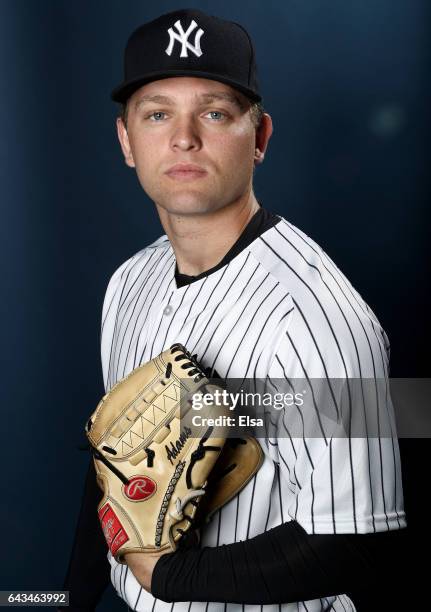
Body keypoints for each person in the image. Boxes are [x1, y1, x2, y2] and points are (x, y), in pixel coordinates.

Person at [63, 8, 407, 611]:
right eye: (157, 113)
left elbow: (356, 542)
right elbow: (114, 476)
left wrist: (163, 578)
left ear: (260, 138)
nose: (183, 137)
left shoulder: (318, 317)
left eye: (215, 112)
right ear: (127, 141)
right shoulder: (129, 282)